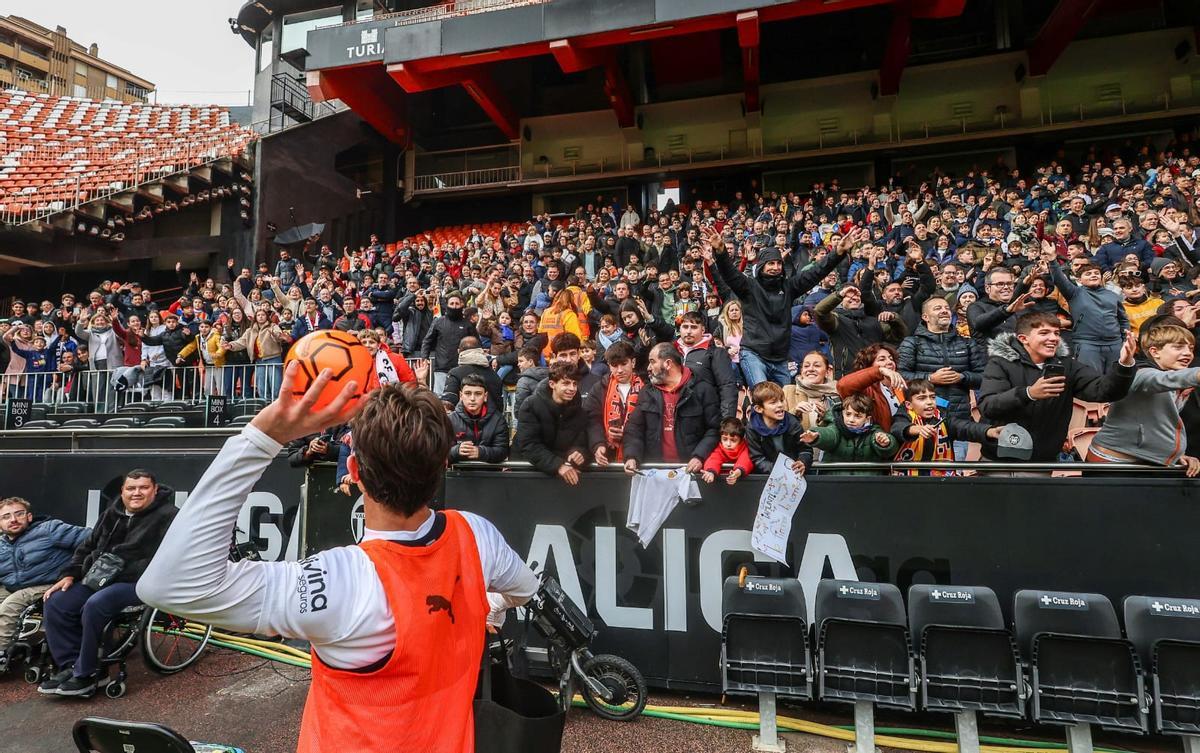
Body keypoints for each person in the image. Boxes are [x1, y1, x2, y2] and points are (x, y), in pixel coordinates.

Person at [138, 369, 537, 752]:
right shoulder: (475, 534)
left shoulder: (344, 580)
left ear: (353, 470)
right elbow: (524, 589)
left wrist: (263, 436)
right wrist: (484, 606)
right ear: (441, 466)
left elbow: (168, 585)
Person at [38, 470, 177, 696]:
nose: (136, 493)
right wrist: (70, 574)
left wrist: (126, 571)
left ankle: (91, 673)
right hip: (97, 577)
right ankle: (70, 666)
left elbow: (171, 558)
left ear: (155, 490)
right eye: (131, 488)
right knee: (56, 601)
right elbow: (87, 546)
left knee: (96, 604)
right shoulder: (111, 514)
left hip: (139, 581)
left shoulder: (169, 516)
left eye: (143, 487)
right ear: (122, 491)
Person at [977, 311, 1137, 462]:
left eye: (1057, 333)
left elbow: (1104, 391)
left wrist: (1124, 365)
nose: (1053, 338)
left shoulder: (1068, 365)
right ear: (1023, 339)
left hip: (1044, 461)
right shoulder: (1000, 363)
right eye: (1044, 333)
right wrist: (1028, 393)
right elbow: (988, 406)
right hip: (999, 460)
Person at [707, 226, 856, 387]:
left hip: (780, 359)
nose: (775, 267)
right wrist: (721, 251)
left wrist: (838, 252)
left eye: (778, 263)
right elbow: (730, 274)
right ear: (762, 266)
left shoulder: (789, 287)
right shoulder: (749, 287)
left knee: (785, 403)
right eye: (770, 263)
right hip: (753, 353)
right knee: (763, 395)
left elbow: (815, 273)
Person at [1086, 320, 1200, 474]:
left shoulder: (1175, 381)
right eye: (1178, 347)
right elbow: (1162, 380)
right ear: (1154, 352)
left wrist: (1177, 456)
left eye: (1191, 348)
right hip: (1113, 466)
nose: (1187, 353)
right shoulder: (1141, 372)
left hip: (1146, 463)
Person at [0, 497, 89, 666]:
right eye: (6, 516)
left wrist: (74, 570)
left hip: (50, 583)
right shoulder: (1, 544)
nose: (13, 519)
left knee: (11, 604)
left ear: (29, 517)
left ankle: (1, 653)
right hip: (14, 586)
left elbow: (92, 539)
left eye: (19, 514)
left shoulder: (49, 529)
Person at [896, 297, 986, 459]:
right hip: (921, 425)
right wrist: (930, 378)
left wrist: (962, 377)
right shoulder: (912, 343)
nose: (944, 310)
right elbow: (901, 376)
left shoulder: (967, 343)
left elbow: (983, 377)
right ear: (925, 317)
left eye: (946, 307)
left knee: (952, 478)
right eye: (937, 308)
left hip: (959, 422)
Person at [621, 343, 721, 475]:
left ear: (668, 364)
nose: (648, 368)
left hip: (692, 473)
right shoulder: (647, 392)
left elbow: (714, 429)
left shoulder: (702, 389)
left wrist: (699, 456)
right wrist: (631, 456)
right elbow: (634, 429)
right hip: (655, 474)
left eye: (652, 362)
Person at [890, 379, 1003, 475]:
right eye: (922, 398)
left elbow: (964, 427)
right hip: (906, 479)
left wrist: (989, 431)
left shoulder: (943, 416)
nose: (929, 402)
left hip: (939, 479)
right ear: (909, 405)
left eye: (932, 397)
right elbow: (898, 427)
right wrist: (917, 429)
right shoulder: (903, 414)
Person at [1046, 252, 1128, 373]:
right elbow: (1059, 279)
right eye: (1088, 274)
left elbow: (1123, 320)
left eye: (1096, 273)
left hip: (1115, 344)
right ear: (1079, 279)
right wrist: (1053, 261)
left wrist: (1126, 340)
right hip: (1088, 344)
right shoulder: (1074, 293)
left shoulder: (1112, 295)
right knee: (1091, 379)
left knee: (1115, 380)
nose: (1093, 275)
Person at [514, 362, 590, 485]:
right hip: (529, 473)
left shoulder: (580, 411)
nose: (572, 388)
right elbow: (529, 445)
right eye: (566, 383)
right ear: (552, 384)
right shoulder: (531, 405)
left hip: (564, 475)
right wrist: (558, 465)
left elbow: (582, 443)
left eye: (574, 384)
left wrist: (579, 453)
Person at [799, 392, 898, 475]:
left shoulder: (874, 431)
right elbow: (830, 434)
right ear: (842, 413)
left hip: (867, 486)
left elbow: (890, 448)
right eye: (848, 414)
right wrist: (817, 436)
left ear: (867, 419)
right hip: (836, 484)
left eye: (858, 416)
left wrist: (885, 443)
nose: (851, 420)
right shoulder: (836, 426)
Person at [587, 341, 645, 467]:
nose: (619, 370)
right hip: (608, 456)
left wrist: (628, 432)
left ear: (633, 362)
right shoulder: (599, 388)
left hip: (639, 456)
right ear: (609, 366)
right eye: (614, 365)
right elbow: (592, 420)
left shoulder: (646, 388)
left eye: (624, 364)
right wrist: (598, 444)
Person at [675, 311, 738, 418]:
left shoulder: (716, 353)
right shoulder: (671, 351)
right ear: (680, 329)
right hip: (674, 414)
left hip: (705, 416)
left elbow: (727, 386)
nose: (689, 331)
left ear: (703, 330)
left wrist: (727, 421)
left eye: (694, 327)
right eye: (685, 327)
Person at [744, 382, 812, 476]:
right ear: (759, 408)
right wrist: (778, 471)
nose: (780, 405)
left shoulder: (792, 423)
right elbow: (757, 458)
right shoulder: (752, 428)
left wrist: (802, 462)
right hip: (767, 478)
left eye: (781, 400)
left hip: (795, 477)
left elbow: (805, 450)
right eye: (773, 402)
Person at [420, 291, 475, 395]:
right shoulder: (438, 321)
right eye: (452, 303)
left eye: (457, 303)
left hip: (462, 368)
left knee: (461, 398)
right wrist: (424, 357)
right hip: (442, 368)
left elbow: (476, 344)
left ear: (461, 305)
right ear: (447, 305)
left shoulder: (468, 324)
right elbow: (427, 340)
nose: (454, 306)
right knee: (441, 400)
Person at [448, 374, 510, 464]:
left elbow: (503, 451)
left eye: (478, 394)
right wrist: (456, 451)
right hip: (459, 474)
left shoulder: (498, 420)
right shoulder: (450, 420)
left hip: (490, 475)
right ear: (461, 396)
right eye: (468, 393)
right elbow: (439, 452)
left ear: (485, 396)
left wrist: (481, 452)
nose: (472, 398)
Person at [440, 336, 504, 412]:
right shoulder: (495, 376)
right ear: (481, 351)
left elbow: (448, 403)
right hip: (493, 421)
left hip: (463, 421)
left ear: (458, 351)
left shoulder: (455, 373)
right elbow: (499, 405)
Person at [701, 417, 754, 485]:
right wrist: (711, 472)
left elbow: (745, 460)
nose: (728, 444)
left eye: (733, 440)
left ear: (741, 440)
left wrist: (737, 472)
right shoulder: (719, 449)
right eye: (725, 439)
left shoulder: (745, 448)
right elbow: (713, 459)